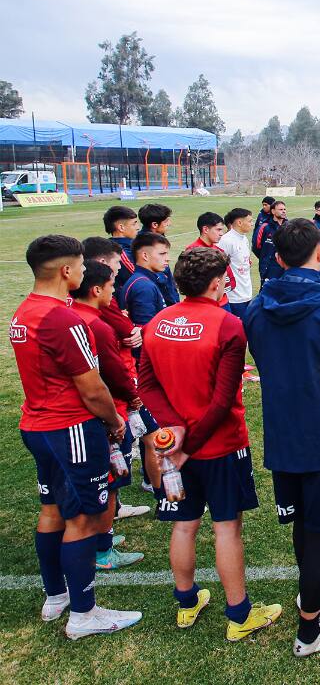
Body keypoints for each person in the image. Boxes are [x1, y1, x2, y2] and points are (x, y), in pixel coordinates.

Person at [138, 247, 282, 640]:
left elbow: (145, 385)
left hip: (174, 445)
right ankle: (239, 615)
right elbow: (221, 401)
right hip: (219, 445)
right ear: (218, 283)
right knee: (226, 529)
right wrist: (189, 440)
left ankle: (187, 603)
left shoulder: (157, 323)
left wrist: (174, 428)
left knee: (184, 526)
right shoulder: (227, 325)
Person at [243, 219, 320, 657]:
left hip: (282, 433)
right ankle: (309, 631)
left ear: (276, 258)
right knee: (318, 532)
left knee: (304, 524)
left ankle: (307, 601)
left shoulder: (256, 308)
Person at [11, 235, 142, 638]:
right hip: (71, 429)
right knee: (83, 519)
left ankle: (57, 597)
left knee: (52, 511)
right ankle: (85, 614)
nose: (87, 272)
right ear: (66, 270)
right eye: (82, 266)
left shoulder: (24, 312)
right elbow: (91, 387)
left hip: (37, 425)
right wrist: (115, 422)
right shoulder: (63, 320)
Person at [68, 260, 146, 570]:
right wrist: (133, 397)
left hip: (88, 413)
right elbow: (112, 371)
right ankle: (103, 547)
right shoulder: (96, 324)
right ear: (97, 289)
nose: (115, 294)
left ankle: (102, 537)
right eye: (112, 286)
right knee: (109, 480)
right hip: (109, 408)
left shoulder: (74, 315)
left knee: (103, 480)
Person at [124, 233, 171, 331]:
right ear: (145, 255)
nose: (168, 258)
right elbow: (146, 330)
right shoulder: (144, 287)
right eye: (162, 254)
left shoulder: (142, 280)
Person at [189, 212, 234, 308]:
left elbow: (228, 277)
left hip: (223, 301)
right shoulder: (192, 252)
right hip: (205, 304)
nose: (221, 233)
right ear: (205, 229)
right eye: (218, 230)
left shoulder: (219, 250)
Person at [139, 203, 180, 304]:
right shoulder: (144, 244)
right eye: (166, 221)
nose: (169, 223)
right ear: (154, 225)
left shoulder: (158, 238)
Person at [219, 209, 255, 318]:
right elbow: (219, 266)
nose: (252, 224)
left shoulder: (244, 239)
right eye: (249, 221)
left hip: (246, 293)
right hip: (234, 297)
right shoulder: (226, 241)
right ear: (239, 223)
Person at [102, 205, 139, 298]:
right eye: (134, 224)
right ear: (121, 227)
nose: (138, 227)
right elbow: (140, 278)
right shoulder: (120, 253)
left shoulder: (125, 246)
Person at [252, 200, 287, 283]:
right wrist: (266, 258)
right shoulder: (264, 227)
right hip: (269, 268)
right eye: (281, 209)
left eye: (284, 209)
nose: (283, 211)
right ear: (273, 211)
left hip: (286, 267)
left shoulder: (289, 227)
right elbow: (256, 247)